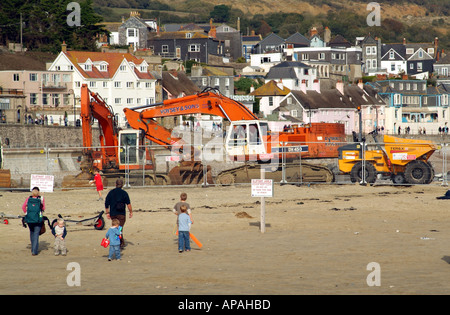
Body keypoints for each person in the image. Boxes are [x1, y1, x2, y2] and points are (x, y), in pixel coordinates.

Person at [104, 179, 132, 248]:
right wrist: (131, 212)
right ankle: (119, 242)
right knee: (119, 229)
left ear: (115, 184)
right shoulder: (124, 193)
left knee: (117, 228)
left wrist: (107, 213)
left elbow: (106, 203)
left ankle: (119, 242)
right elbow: (128, 204)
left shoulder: (111, 192)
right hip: (121, 214)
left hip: (113, 214)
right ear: (122, 185)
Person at [22, 187, 46, 256]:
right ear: (38, 192)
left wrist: (26, 213)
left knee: (32, 233)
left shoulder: (28, 198)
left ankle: (33, 248)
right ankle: (34, 251)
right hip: (38, 219)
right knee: (36, 234)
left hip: (29, 218)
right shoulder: (41, 199)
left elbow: (23, 207)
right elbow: (43, 208)